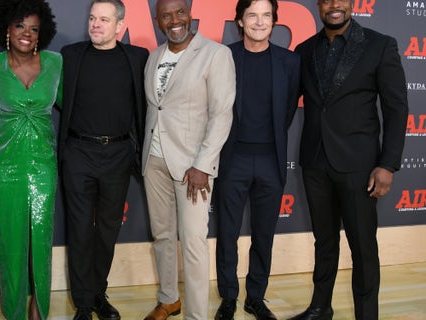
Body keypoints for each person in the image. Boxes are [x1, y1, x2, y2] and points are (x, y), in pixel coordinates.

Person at [290, 0, 409, 319]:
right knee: (323, 242)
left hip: (360, 166)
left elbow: (396, 109)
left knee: (363, 246)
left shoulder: (380, 45)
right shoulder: (304, 49)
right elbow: (289, 104)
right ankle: (320, 306)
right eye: (327, 0)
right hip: (315, 162)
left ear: (352, 3)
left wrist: (387, 163)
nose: (334, 5)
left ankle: (367, 314)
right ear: (319, 6)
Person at [141, 0, 235, 319]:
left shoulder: (216, 54)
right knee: (163, 235)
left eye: (180, 12)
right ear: (158, 22)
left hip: (193, 167)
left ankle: (196, 315)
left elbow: (221, 114)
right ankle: (169, 298)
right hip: (154, 160)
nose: (175, 20)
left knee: (193, 242)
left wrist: (203, 165)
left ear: (190, 14)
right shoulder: (154, 57)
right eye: (166, 16)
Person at [58, 0, 148, 319]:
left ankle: (98, 294)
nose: (96, 24)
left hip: (119, 155)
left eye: (104, 19)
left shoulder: (137, 58)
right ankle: (83, 303)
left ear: (119, 26)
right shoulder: (70, 56)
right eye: (93, 18)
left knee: (107, 230)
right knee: (80, 230)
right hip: (79, 153)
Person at [214, 0, 300, 319]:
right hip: (232, 157)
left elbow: (288, 109)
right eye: (252, 15)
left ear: (274, 21)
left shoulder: (289, 62)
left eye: (266, 15)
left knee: (264, 233)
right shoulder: (224, 57)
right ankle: (228, 297)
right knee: (227, 232)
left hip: (270, 159)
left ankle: (256, 297)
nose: (260, 22)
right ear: (240, 21)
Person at [0, 0, 60, 319]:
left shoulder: (56, 63)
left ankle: (38, 305)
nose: (26, 33)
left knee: (41, 236)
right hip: (5, 165)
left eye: (33, 28)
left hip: (44, 164)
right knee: (10, 238)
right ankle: (13, 309)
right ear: (6, 29)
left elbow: (73, 108)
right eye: (19, 26)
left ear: (41, 33)